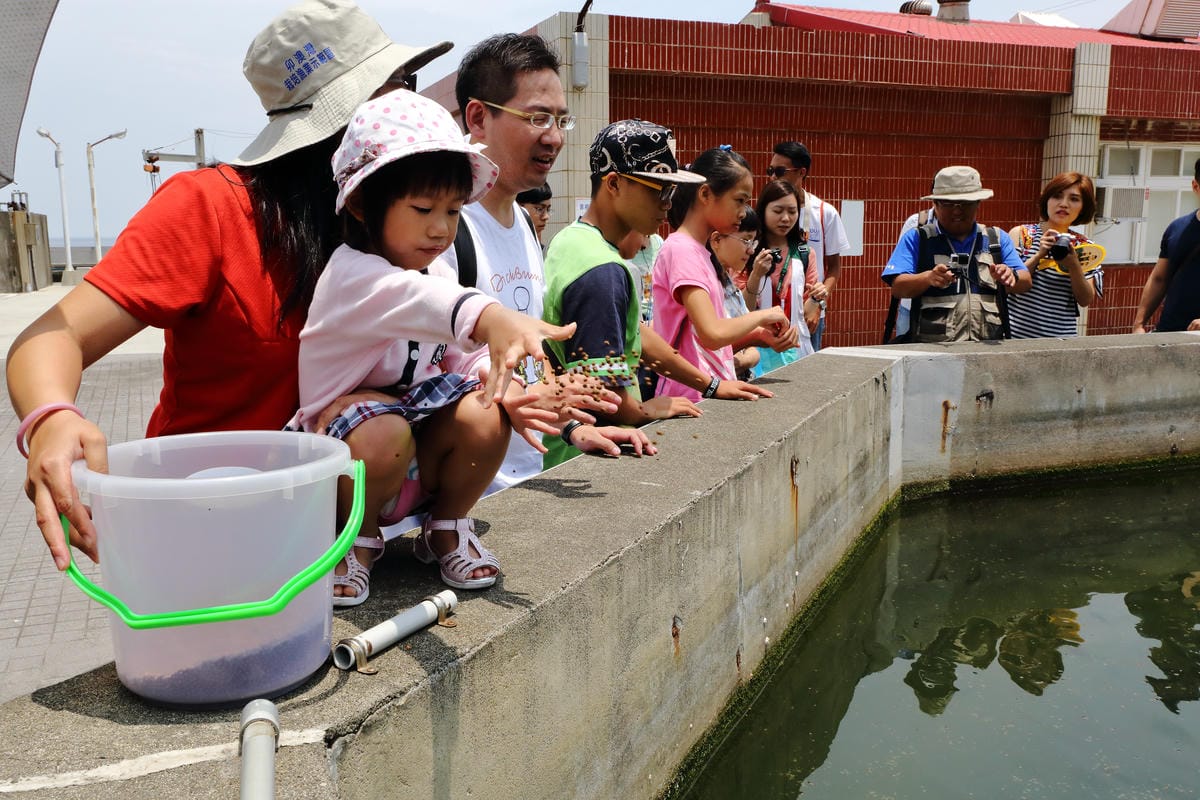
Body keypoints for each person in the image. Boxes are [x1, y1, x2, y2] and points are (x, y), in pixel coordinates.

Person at [6, 0, 459, 572]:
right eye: (389, 90)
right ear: (330, 123)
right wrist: (51, 418)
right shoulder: (211, 209)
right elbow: (52, 335)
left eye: (407, 84)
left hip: (332, 544)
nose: (409, 107)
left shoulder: (401, 231)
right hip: (204, 531)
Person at [289, 90, 579, 601]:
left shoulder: (435, 265)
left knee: (487, 411)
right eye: (423, 208)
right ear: (361, 203)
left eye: (452, 210)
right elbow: (429, 304)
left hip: (416, 448)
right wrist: (494, 318)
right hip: (349, 460)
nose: (442, 228)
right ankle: (356, 540)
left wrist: (498, 384)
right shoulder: (352, 275)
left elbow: (454, 354)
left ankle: (445, 526)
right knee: (381, 428)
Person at [541, 120, 772, 468]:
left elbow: (636, 334)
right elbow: (598, 387)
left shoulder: (572, 240)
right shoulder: (602, 270)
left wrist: (709, 385)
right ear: (614, 184)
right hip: (589, 458)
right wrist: (641, 411)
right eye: (659, 190)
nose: (669, 203)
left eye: (672, 191)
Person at [445, 33, 574, 491]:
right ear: (478, 117)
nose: (554, 137)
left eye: (561, 120)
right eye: (537, 117)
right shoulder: (439, 227)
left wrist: (575, 427)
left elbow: (526, 363)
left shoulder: (523, 220)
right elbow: (418, 372)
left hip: (524, 481)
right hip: (456, 511)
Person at [652, 147, 795, 400]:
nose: (743, 212)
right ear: (705, 194)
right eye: (739, 200)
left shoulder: (699, 252)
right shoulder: (682, 250)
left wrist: (760, 335)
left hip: (703, 394)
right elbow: (712, 334)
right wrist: (763, 316)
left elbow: (701, 340)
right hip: (691, 398)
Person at [881, 166, 1031, 343]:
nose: (957, 211)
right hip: (933, 354)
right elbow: (898, 288)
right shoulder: (918, 238)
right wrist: (929, 278)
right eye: (948, 204)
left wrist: (1010, 275)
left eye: (965, 203)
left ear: (978, 203)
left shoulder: (996, 239)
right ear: (935, 204)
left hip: (986, 350)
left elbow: (1026, 281)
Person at [768, 141, 851, 349]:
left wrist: (818, 304)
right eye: (770, 171)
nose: (772, 177)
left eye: (779, 171)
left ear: (801, 172)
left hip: (809, 313)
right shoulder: (766, 210)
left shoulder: (824, 212)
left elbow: (833, 269)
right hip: (771, 311)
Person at [1006, 172, 1103, 339]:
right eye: (1057, 196)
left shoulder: (1086, 247)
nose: (1064, 204)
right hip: (1015, 339)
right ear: (1047, 200)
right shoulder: (1021, 235)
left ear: (1083, 208)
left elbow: (1085, 299)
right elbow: (1008, 285)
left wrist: (1073, 265)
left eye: (1074, 199)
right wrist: (1038, 255)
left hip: (1061, 342)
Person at [744, 179, 819, 370]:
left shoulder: (805, 253)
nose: (786, 218)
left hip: (797, 348)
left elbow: (807, 313)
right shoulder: (747, 251)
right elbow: (739, 310)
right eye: (778, 211)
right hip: (756, 351)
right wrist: (755, 276)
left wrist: (818, 298)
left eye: (792, 212)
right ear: (763, 210)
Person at [1133, 158, 1200, 334]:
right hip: (1169, 333)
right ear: (1195, 187)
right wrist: (1139, 324)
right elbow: (1159, 278)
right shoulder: (1177, 227)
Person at [516, 182, 552, 247]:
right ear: (518, 207)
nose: (546, 217)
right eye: (539, 209)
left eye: (548, 209)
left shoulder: (543, 251)